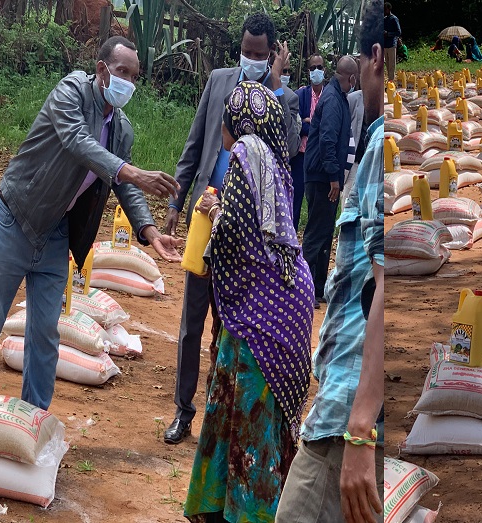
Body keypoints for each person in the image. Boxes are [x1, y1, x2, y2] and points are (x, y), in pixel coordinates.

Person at [0, 36, 182, 410]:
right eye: (122, 72)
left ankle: (33, 420)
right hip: (16, 217)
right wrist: (131, 172)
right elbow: (76, 141)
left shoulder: (122, 129)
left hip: (56, 232)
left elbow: (123, 187)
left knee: (45, 334)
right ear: (102, 70)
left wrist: (150, 232)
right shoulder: (71, 90)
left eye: (135, 76)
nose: (129, 83)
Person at [162, 12, 302, 446]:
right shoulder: (219, 81)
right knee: (191, 320)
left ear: (273, 54)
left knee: (234, 327)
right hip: (207, 217)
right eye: (247, 51)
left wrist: (274, 83)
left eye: (260, 55)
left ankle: (218, 417)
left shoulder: (286, 96)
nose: (252, 59)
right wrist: (175, 202)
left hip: (250, 235)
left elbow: (290, 144)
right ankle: (183, 411)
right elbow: (193, 145)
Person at [182, 80, 314, 523]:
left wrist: (211, 212)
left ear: (235, 122)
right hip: (287, 299)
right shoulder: (274, 160)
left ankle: (248, 513)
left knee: (249, 412)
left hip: (262, 311)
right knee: (244, 403)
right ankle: (222, 505)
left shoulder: (242, 155)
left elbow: (236, 233)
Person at [276, 0, 384, 519]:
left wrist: (361, 427)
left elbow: (380, 287)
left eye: (356, 67)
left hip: (347, 412)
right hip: (350, 402)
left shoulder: (381, 142)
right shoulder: (348, 111)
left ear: (374, 59)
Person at [302, 55, 357, 309]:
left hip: (325, 175)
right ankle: (300, 286)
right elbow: (327, 141)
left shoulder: (337, 95)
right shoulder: (334, 99)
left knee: (325, 234)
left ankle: (318, 287)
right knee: (316, 233)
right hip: (322, 177)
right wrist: (335, 177)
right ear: (352, 78)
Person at [293, 54, 326, 232]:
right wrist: (314, 126)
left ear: (324, 70)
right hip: (300, 156)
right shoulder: (301, 95)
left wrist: (308, 123)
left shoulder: (329, 95)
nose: (316, 71)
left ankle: (312, 240)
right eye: (312, 68)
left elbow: (329, 126)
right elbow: (296, 126)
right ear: (308, 71)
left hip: (320, 157)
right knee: (295, 198)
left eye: (319, 67)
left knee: (316, 200)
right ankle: (291, 236)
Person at [383, 2, 400, 81]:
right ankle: (390, 80)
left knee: (391, 65)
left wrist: (388, 34)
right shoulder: (384, 19)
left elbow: (398, 32)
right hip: (385, 44)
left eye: (385, 9)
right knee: (387, 64)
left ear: (389, 9)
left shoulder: (394, 19)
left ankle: (391, 81)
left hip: (392, 44)